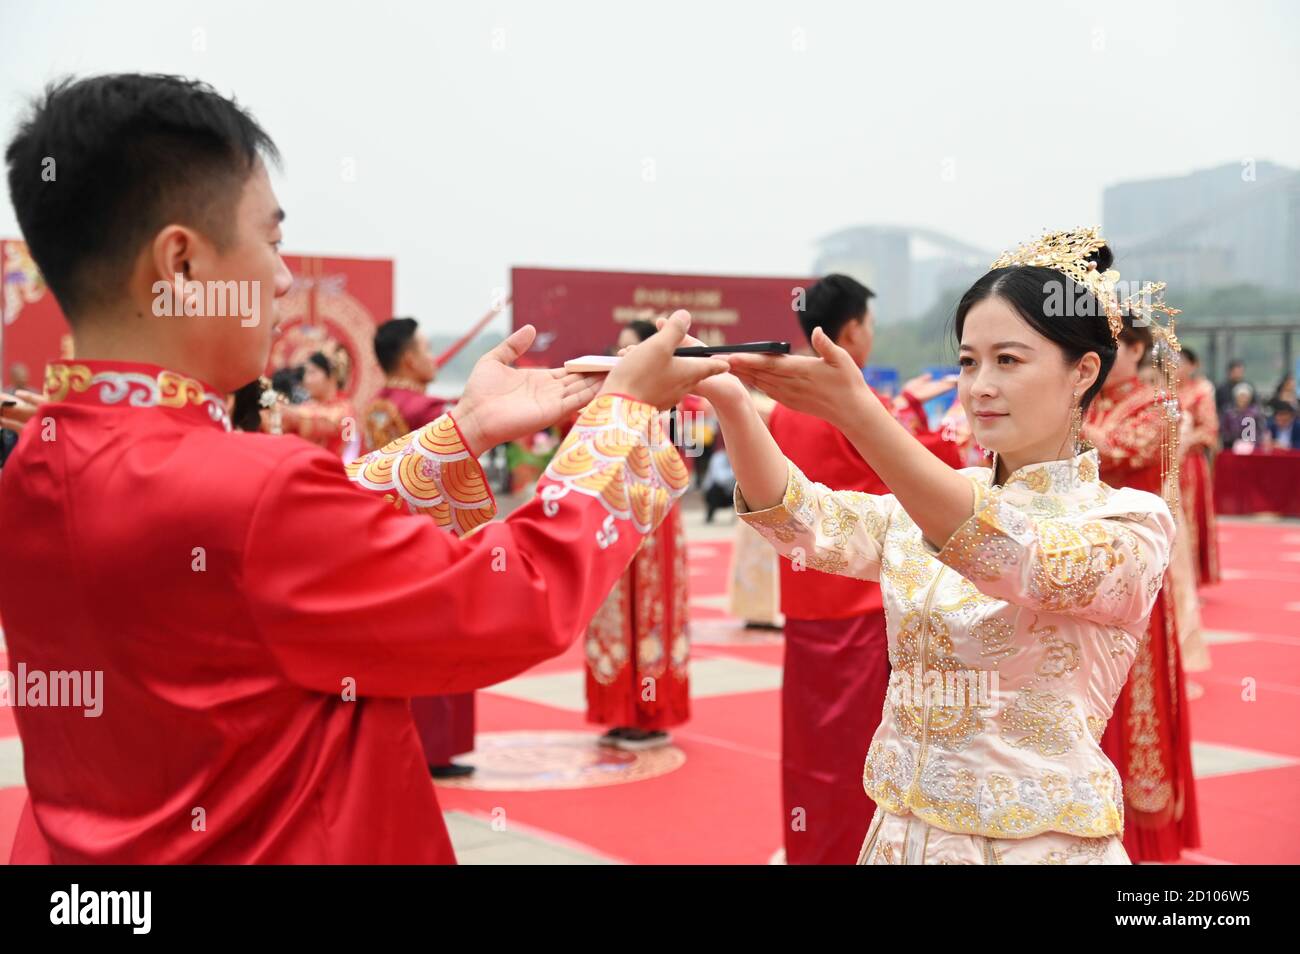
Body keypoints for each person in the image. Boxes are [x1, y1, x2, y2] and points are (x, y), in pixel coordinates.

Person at [0, 73, 727, 863]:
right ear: (179, 265)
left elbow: (267, 556)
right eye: (272, 242)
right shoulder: (253, 491)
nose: (282, 280)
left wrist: (470, 427)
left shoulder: (37, 462)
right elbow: (512, 600)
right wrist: (621, 414)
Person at [707, 228, 1176, 864]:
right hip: (902, 839)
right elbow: (801, 521)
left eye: (1008, 360)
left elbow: (1009, 554)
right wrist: (730, 400)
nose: (980, 385)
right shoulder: (944, 494)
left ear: (1083, 371)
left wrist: (858, 413)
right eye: (967, 361)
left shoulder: (1130, 523)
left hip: (1037, 846)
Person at [763, 273, 963, 864]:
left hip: (805, 601)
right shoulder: (859, 405)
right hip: (862, 602)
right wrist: (940, 429)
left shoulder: (786, 406)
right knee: (865, 751)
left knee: (811, 748)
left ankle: (811, 849)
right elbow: (920, 472)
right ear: (851, 331)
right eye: (870, 324)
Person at [1083, 305, 1201, 862]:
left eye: (1113, 347)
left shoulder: (1160, 406)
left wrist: (1061, 418)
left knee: (1135, 698)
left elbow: (1120, 451)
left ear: (1134, 350)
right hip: (1080, 572)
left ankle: (1138, 836)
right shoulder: (1089, 403)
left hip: (1135, 576)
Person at [584, 320, 693, 751]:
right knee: (611, 611)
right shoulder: (605, 396)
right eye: (621, 348)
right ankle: (617, 710)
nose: (625, 355)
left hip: (653, 518)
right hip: (611, 512)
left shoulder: (669, 394)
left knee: (651, 608)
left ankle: (649, 713)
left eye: (636, 348)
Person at [364, 316, 448, 450]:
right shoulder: (427, 409)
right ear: (410, 360)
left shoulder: (372, 406)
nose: (433, 358)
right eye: (427, 349)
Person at [1176, 347, 1220, 585]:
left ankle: (1190, 579)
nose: (1175, 366)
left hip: (1190, 464)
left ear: (1193, 366)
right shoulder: (1161, 391)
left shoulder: (1200, 393)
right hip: (1164, 463)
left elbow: (1209, 430)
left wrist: (1181, 441)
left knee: (1190, 518)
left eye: (1181, 361)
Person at [277, 351, 360, 461]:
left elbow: (322, 420)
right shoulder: (308, 405)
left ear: (331, 376)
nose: (306, 380)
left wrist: (285, 412)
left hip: (333, 472)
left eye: (312, 373)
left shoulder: (345, 410)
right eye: (305, 373)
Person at [1221, 383, 1269, 449]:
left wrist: (1252, 441)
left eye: (1245, 397)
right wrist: (1233, 441)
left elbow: (1261, 430)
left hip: (1252, 446)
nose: (1243, 399)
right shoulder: (1228, 412)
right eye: (1241, 396)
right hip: (1231, 446)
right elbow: (1224, 430)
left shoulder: (1256, 412)